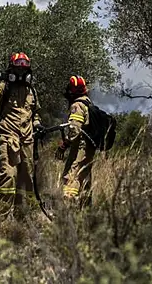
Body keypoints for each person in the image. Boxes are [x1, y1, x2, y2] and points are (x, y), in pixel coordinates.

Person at [0, 52, 43, 214]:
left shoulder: (31, 90)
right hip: (9, 136)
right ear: (11, 69)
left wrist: (37, 125)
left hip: (27, 139)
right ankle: (1, 214)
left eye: (24, 71)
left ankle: (23, 216)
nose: (21, 74)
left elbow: (34, 112)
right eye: (18, 70)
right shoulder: (4, 86)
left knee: (27, 177)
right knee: (8, 175)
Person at [56, 75, 96, 207]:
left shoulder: (77, 105)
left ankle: (68, 207)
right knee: (84, 178)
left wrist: (65, 144)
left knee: (72, 177)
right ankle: (85, 210)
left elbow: (75, 129)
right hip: (88, 148)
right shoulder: (88, 102)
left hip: (80, 147)